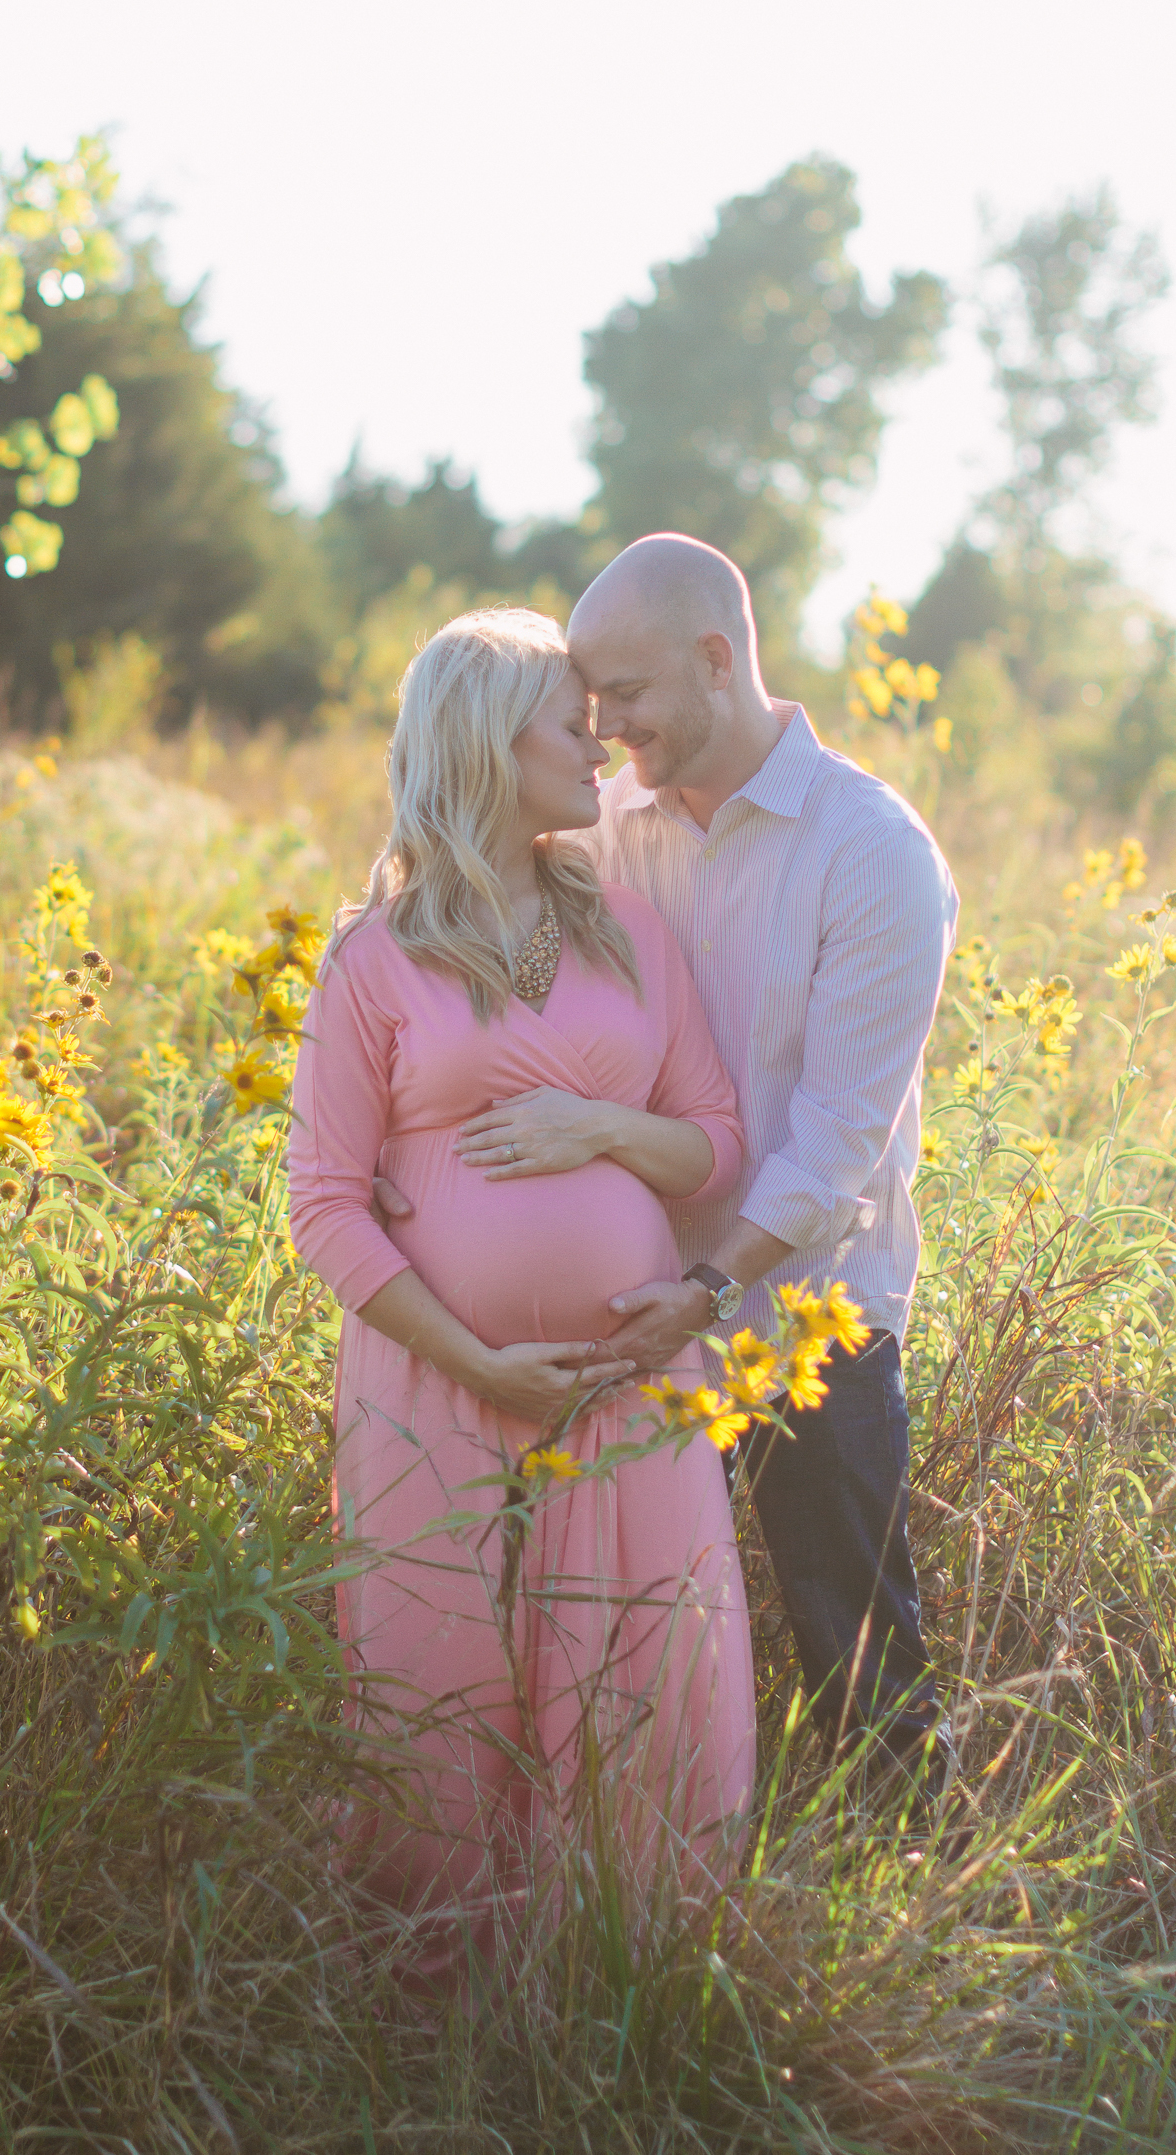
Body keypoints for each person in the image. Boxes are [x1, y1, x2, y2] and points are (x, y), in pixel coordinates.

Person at [403, 535, 955, 1784]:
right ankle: (651, 1880)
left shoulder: (872, 854)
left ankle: (901, 1901)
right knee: (639, 1644)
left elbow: (837, 1140)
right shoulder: (602, 829)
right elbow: (471, 956)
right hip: (622, 1316)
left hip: (800, 1318)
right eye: (589, 706)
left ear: (719, 660)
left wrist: (708, 1297)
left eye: (631, 696)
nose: (607, 729)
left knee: (853, 1644)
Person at [288, 608, 754, 1980]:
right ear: (493, 747)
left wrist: (593, 1126)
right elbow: (321, 1203)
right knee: (450, 1680)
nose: (599, 741)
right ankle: (445, 1998)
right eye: (571, 721)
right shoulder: (374, 958)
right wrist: (478, 1358)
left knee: (642, 1671)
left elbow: (716, 1143)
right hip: (441, 1391)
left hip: (629, 1387)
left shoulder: (627, 934)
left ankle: (635, 1971)